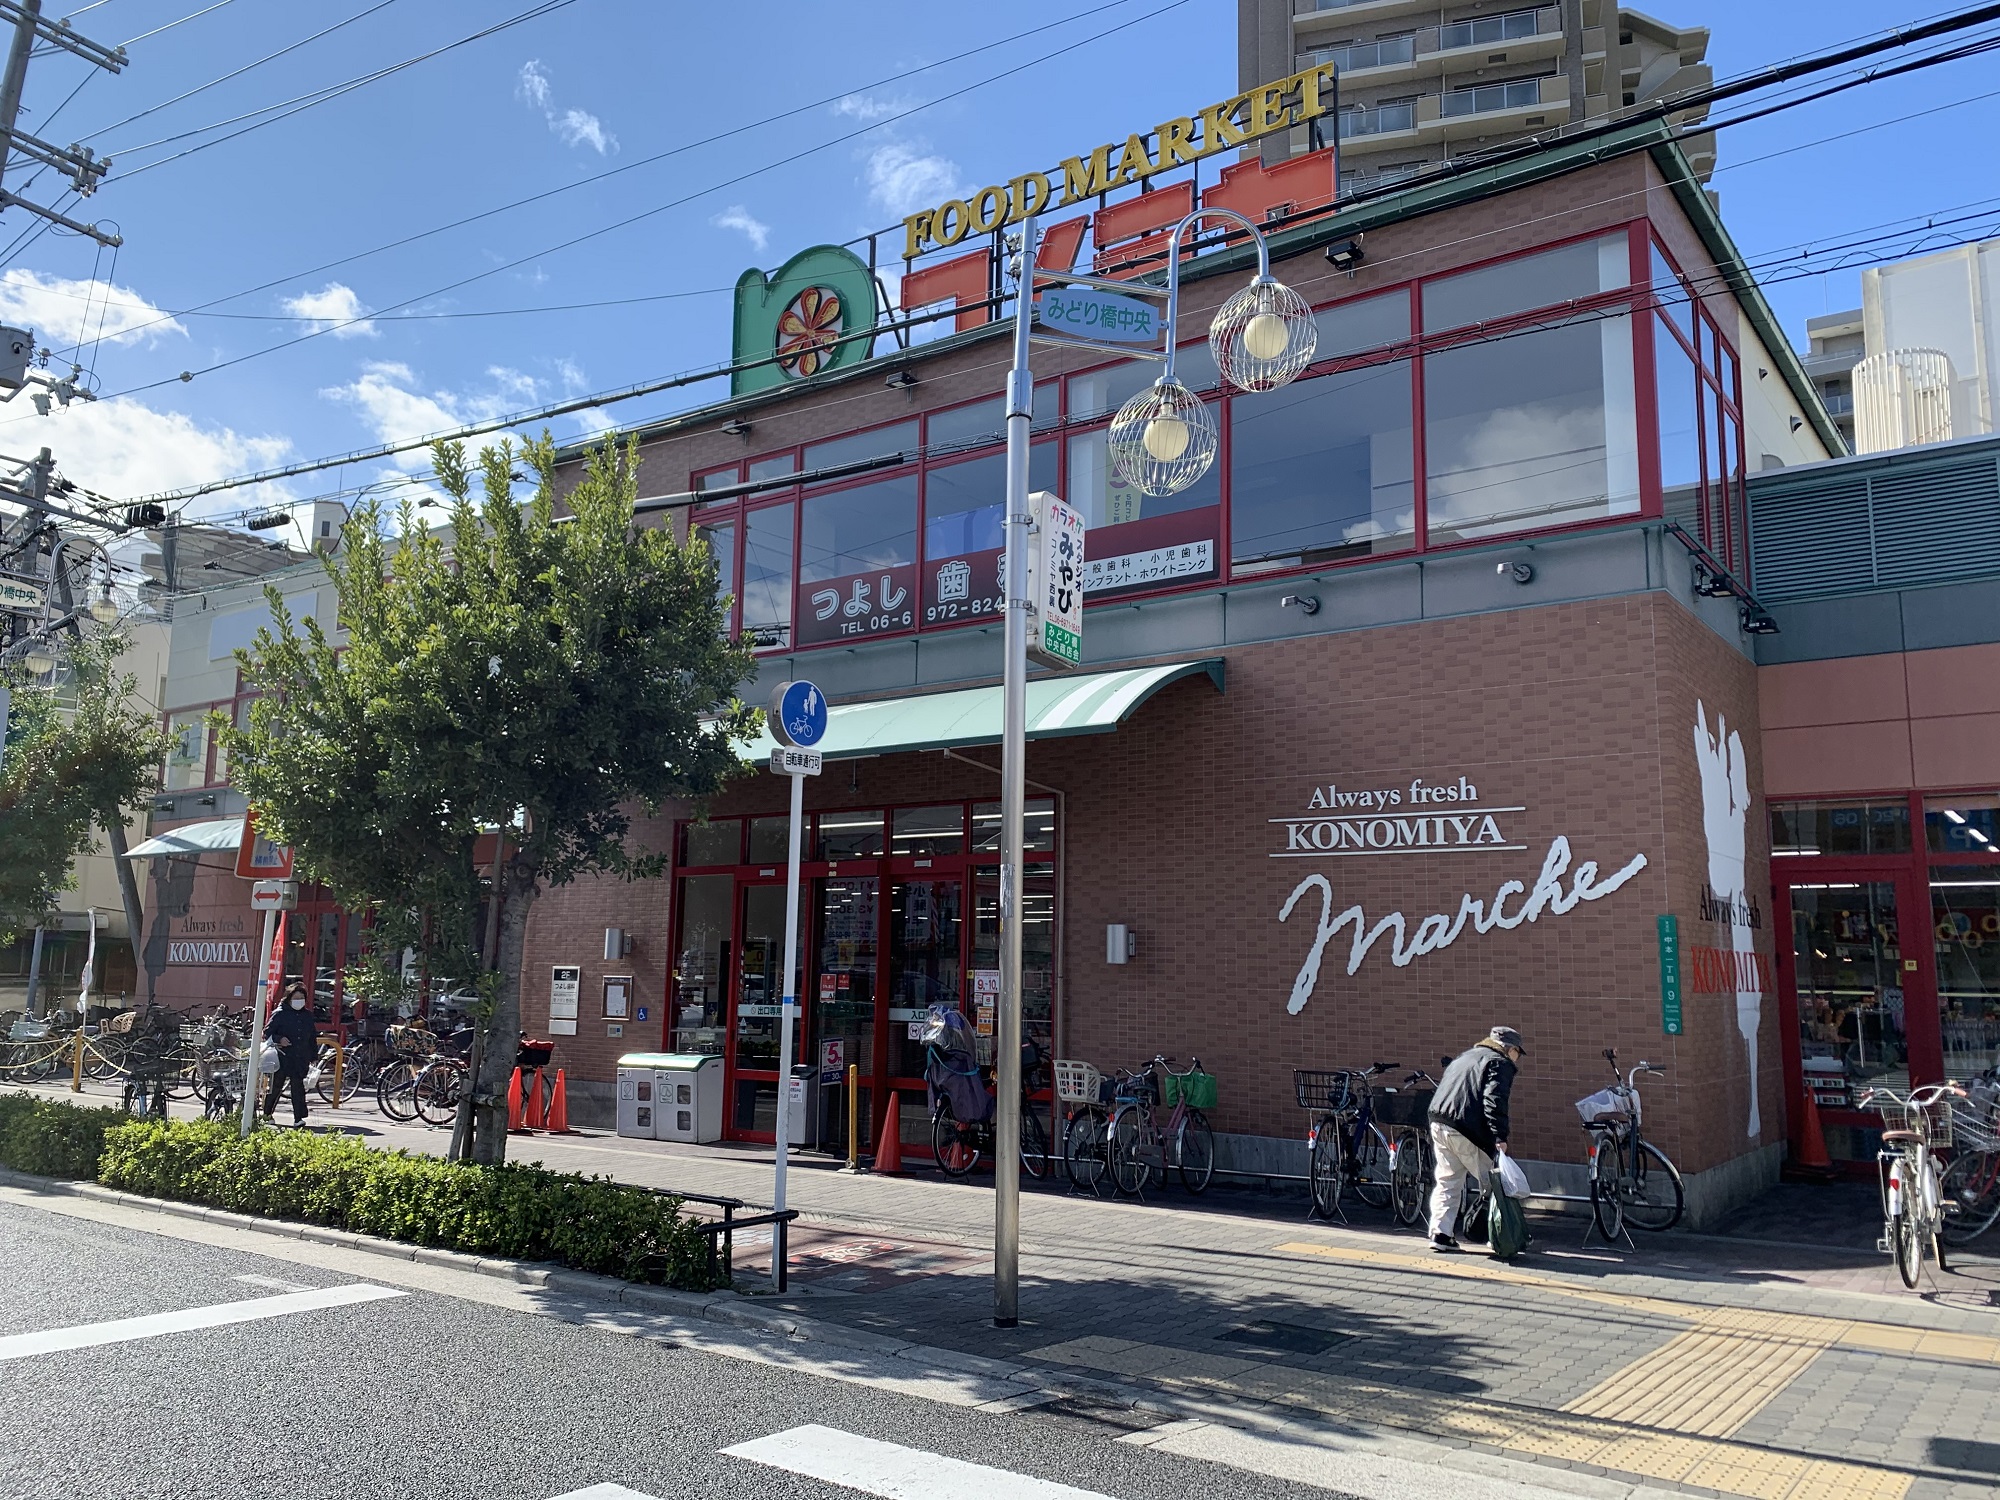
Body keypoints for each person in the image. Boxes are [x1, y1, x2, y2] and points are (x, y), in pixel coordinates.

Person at [1426, 1025, 1524, 1253]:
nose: (1517, 1058)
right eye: (1518, 1052)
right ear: (1510, 1049)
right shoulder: (1499, 1063)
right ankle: (1499, 1236)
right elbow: (1494, 1099)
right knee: (1497, 1182)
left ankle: (1440, 1234)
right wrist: (1499, 1135)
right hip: (1466, 1127)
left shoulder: (1464, 1057)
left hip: (1438, 1121)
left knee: (1448, 1180)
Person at [263, 981, 318, 1127]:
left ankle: (298, 1118)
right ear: (289, 998)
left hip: (300, 1056)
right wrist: (279, 1039)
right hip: (282, 1055)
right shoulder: (280, 1013)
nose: (299, 1001)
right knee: (276, 1087)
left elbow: (312, 1037)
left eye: (302, 998)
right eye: (296, 998)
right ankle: (267, 1114)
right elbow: (267, 1032)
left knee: (298, 1088)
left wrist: (314, 1056)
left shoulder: (307, 1016)